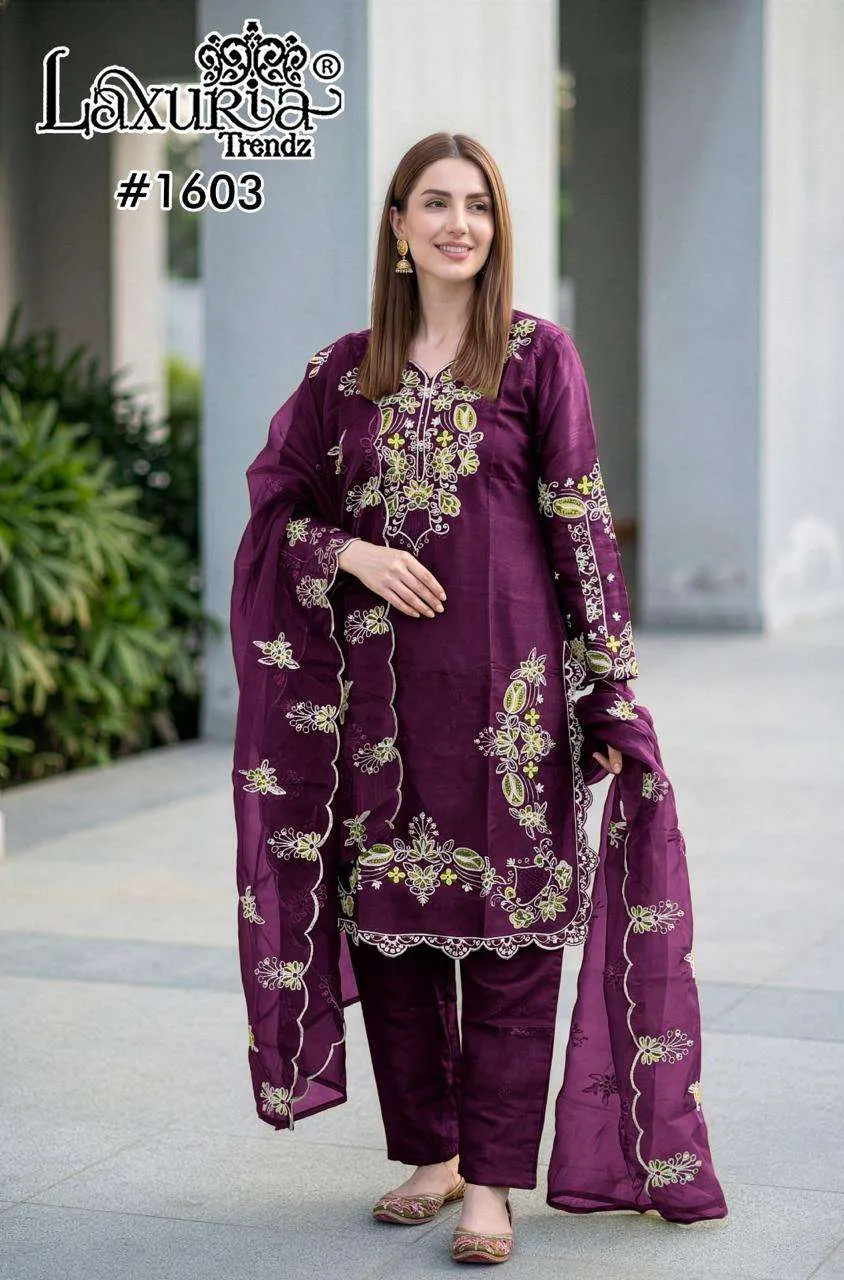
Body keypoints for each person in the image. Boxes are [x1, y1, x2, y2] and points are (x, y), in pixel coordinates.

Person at [230, 131, 727, 1266]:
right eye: (436, 203)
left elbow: (581, 524)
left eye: (480, 206)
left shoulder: (538, 357)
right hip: (380, 718)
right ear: (398, 227)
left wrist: (609, 692)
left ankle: (493, 1184)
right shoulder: (341, 375)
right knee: (394, 941)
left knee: (513, 944)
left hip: (512, 712)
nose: (460, 224)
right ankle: (432, 1156)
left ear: (497, 229)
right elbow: (276, 513)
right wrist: (350, 554)